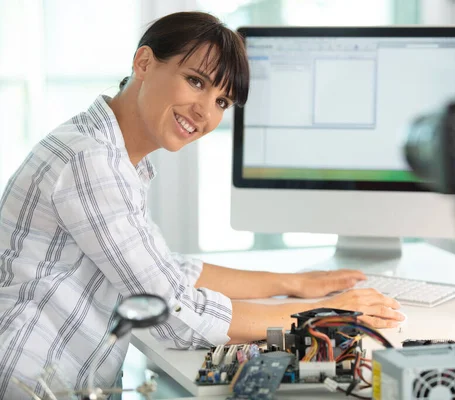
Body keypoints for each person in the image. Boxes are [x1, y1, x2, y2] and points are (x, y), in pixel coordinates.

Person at [0, 11, 403, 399]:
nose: (205, 113)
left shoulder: (109, 153)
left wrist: (291, 284)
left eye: (222, 102)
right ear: (144, 62)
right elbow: (173, 312)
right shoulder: (91, 161)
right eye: (195, 81)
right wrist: (320, 314)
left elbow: (164, 270)